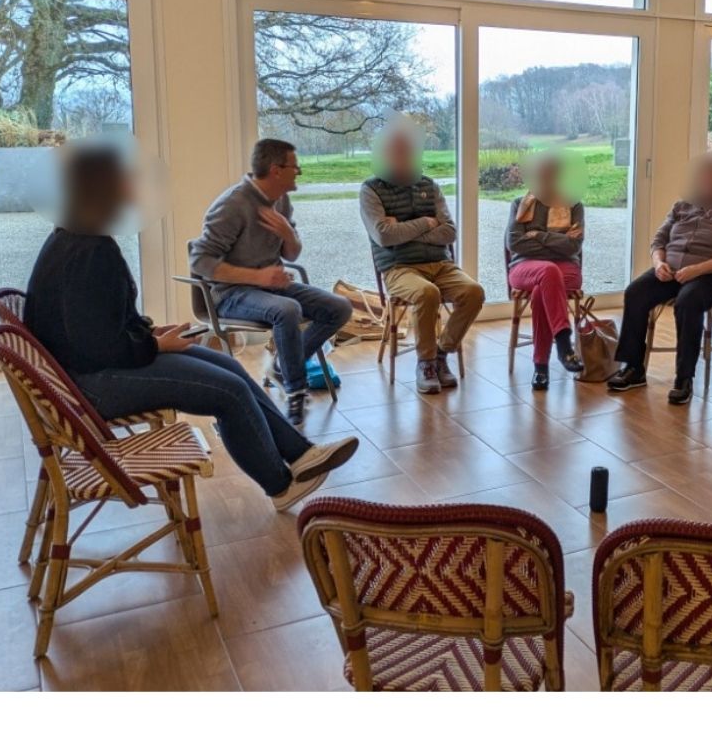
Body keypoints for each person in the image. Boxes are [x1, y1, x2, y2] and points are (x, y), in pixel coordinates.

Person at [24, 142, 357, 512]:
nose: (136, 187)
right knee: (228, 392)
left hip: (96, 368)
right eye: (128, 179)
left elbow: (94, 323)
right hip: (93, 385)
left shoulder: (74, 239)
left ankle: (300, 455)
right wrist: (155, 346)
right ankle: (280, 487)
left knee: (230, 366)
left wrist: (145, 332)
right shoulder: (92, 251)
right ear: (104, 187)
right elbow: (96, 347)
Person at [188, 139, 353, 428]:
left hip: (272, 288)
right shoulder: (232, 205)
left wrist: (288, 233)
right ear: (276, 170)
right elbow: (200, 261)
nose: (299, 171)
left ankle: (283, 367)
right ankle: (295, 391)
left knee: (339, 308)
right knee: (286, 310)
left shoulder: (281, 200)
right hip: (231, 293)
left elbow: (292, 253)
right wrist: (259, 277)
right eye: (295, 166)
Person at [608, 155, 712, 405]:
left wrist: (698, 269)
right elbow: (658, 241)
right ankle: (633, 367)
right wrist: (659, 263)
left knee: (688, 301)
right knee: (635, 292)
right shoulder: (681, 206)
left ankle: (684, 378)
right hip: (671, 270)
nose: (706, 182)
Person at [358, 124, 484, 393]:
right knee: (427, 293)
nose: (403, 156)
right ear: (384, 154)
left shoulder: (429, 185)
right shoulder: (371, 189)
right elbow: (383, 236)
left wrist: (404, 229)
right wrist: (427, 222)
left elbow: (449, 232)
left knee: (474, 292)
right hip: (399, 267)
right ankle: (425, 363)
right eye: (397, 151)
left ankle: (440, 353)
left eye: (408, 151)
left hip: (440, 264)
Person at [505, 156, 586, 391]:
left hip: (566, 270)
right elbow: (515, 244)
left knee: (545, 285)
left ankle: (541, 367)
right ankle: (563, 345)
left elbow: (574, 247)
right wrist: (559, 240)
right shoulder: (520, 204)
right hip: (525, 268)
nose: (546, 179)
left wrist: (538, 235)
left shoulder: (574, 206)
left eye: (551, 174)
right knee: (547, 273)